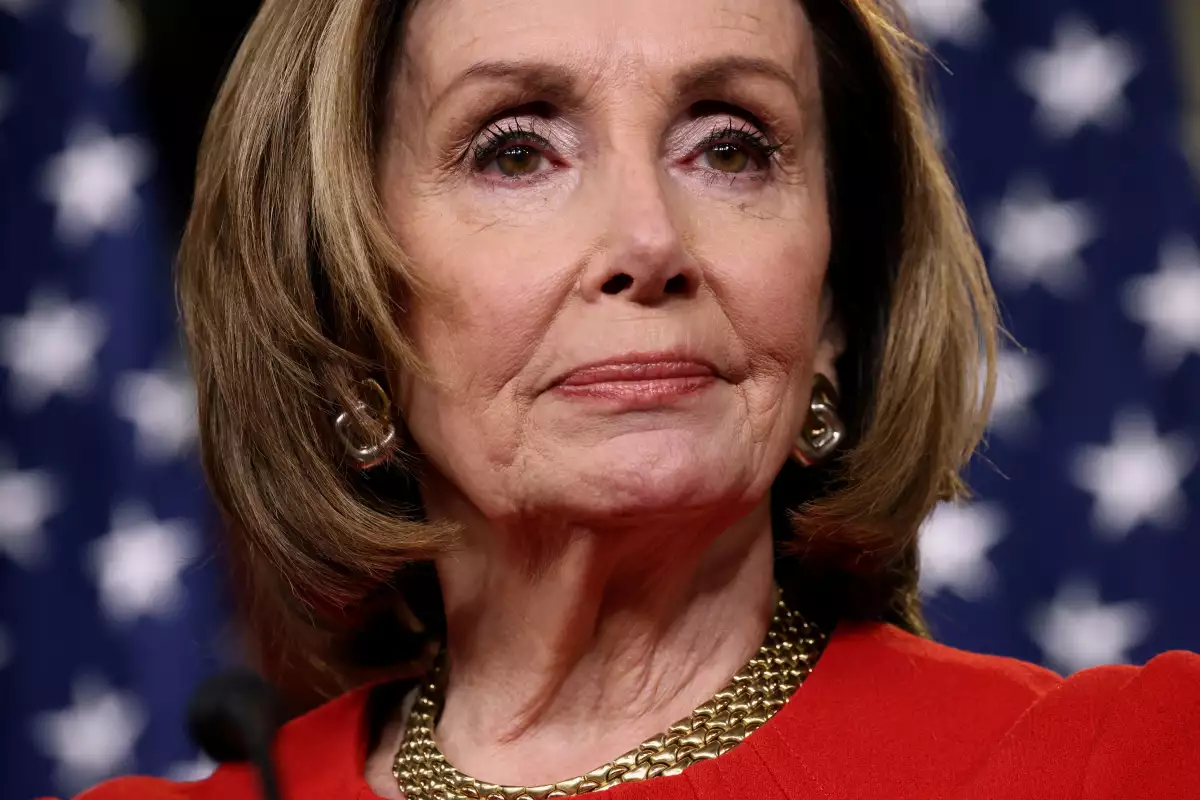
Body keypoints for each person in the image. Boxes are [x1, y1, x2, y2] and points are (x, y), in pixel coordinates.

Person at [70, 0, 1200, 798]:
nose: (649, 241)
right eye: (515, 152)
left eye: (732, 147)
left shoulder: (1126, 764)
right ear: (347, 309)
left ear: (835, 312)